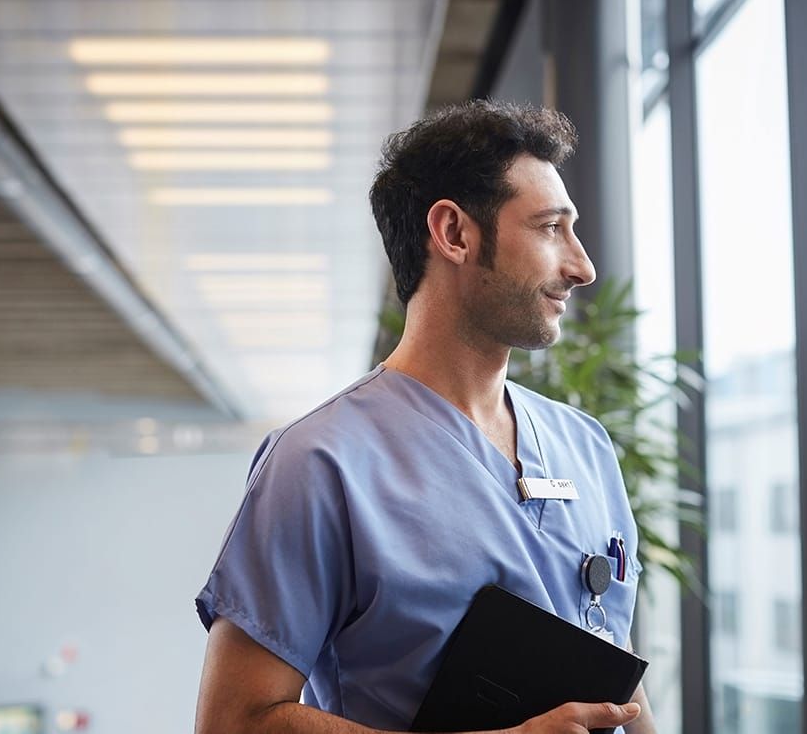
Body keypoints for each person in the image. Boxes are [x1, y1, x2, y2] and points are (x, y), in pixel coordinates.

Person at [194, 100, 657, 734]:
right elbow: (235, 722)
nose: (582, 267)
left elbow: (622, 688)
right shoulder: (319, 463)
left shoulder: (586, 445)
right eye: (551, 228)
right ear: (455, 234)